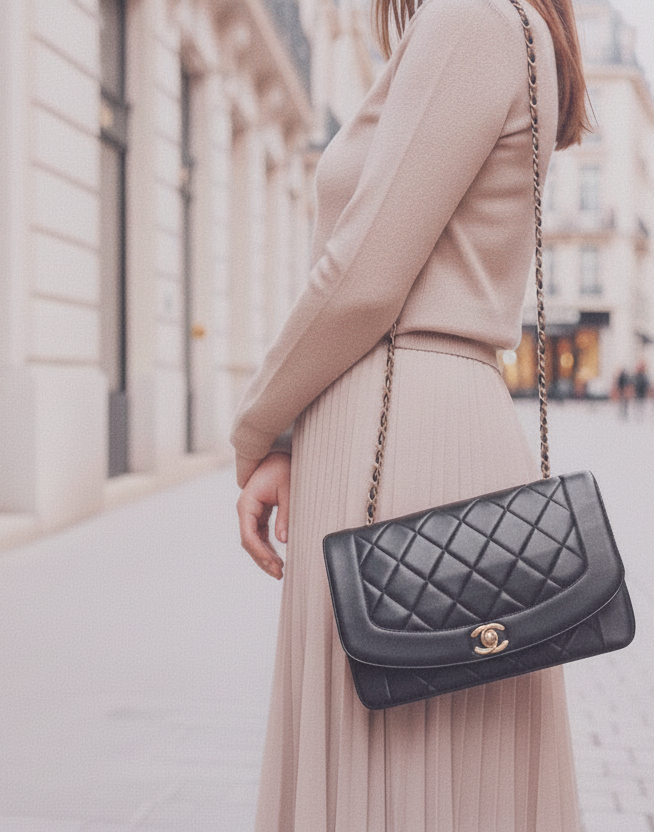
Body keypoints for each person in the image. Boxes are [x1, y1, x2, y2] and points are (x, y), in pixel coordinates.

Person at [231, 0, 591, 825]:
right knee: (442, 770)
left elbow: (362, 276)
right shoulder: (505, 24)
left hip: (399, 433)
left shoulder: (469, 19)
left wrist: (256, 424)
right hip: (431, 412)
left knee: (384, 761)